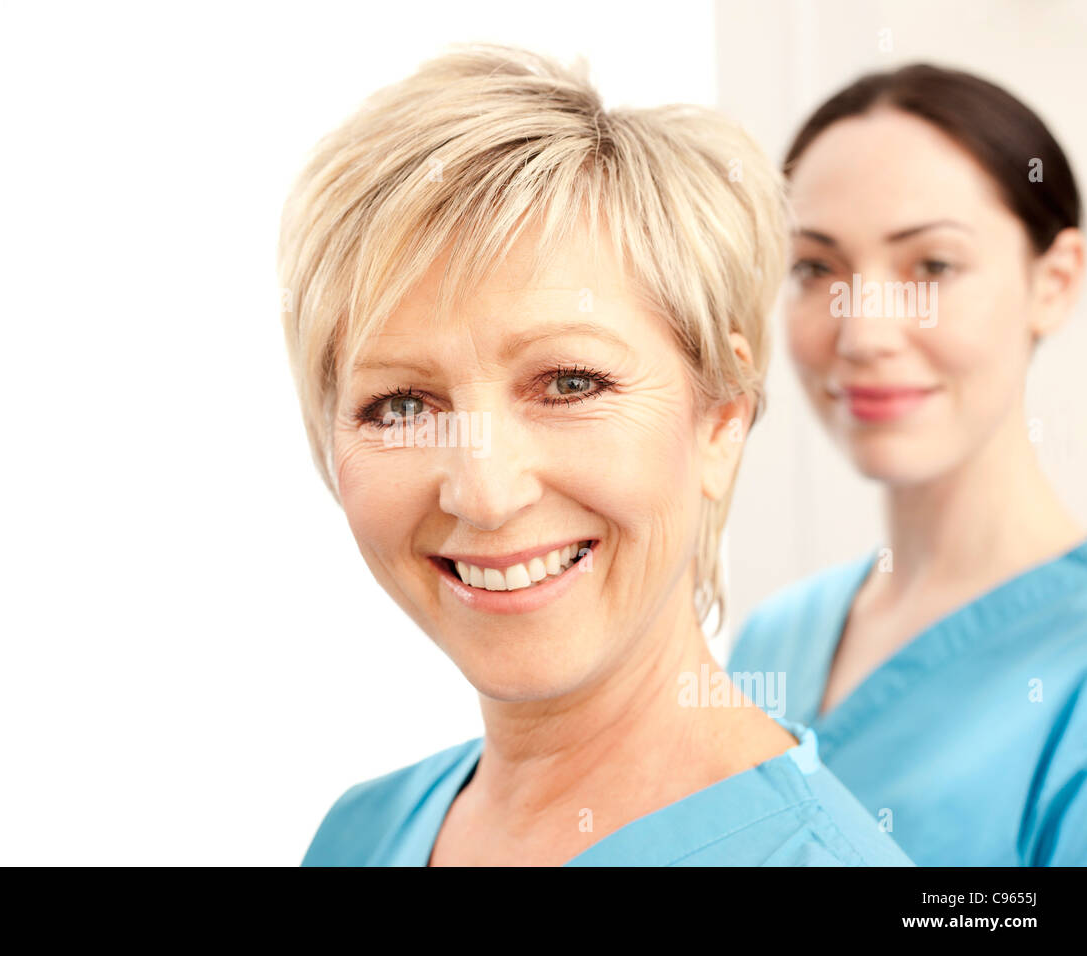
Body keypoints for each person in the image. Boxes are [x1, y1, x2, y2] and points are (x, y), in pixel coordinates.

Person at [279, 43, 912, 866]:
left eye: (570, 383)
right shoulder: (358, 836)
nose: (485, 491)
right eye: (401, 404)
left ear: (721, 418)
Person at [729, 63, 1087, 866]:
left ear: (1054, 282)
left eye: (931, 267)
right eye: (816, 269)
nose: (863, 335)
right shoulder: (771, 641)